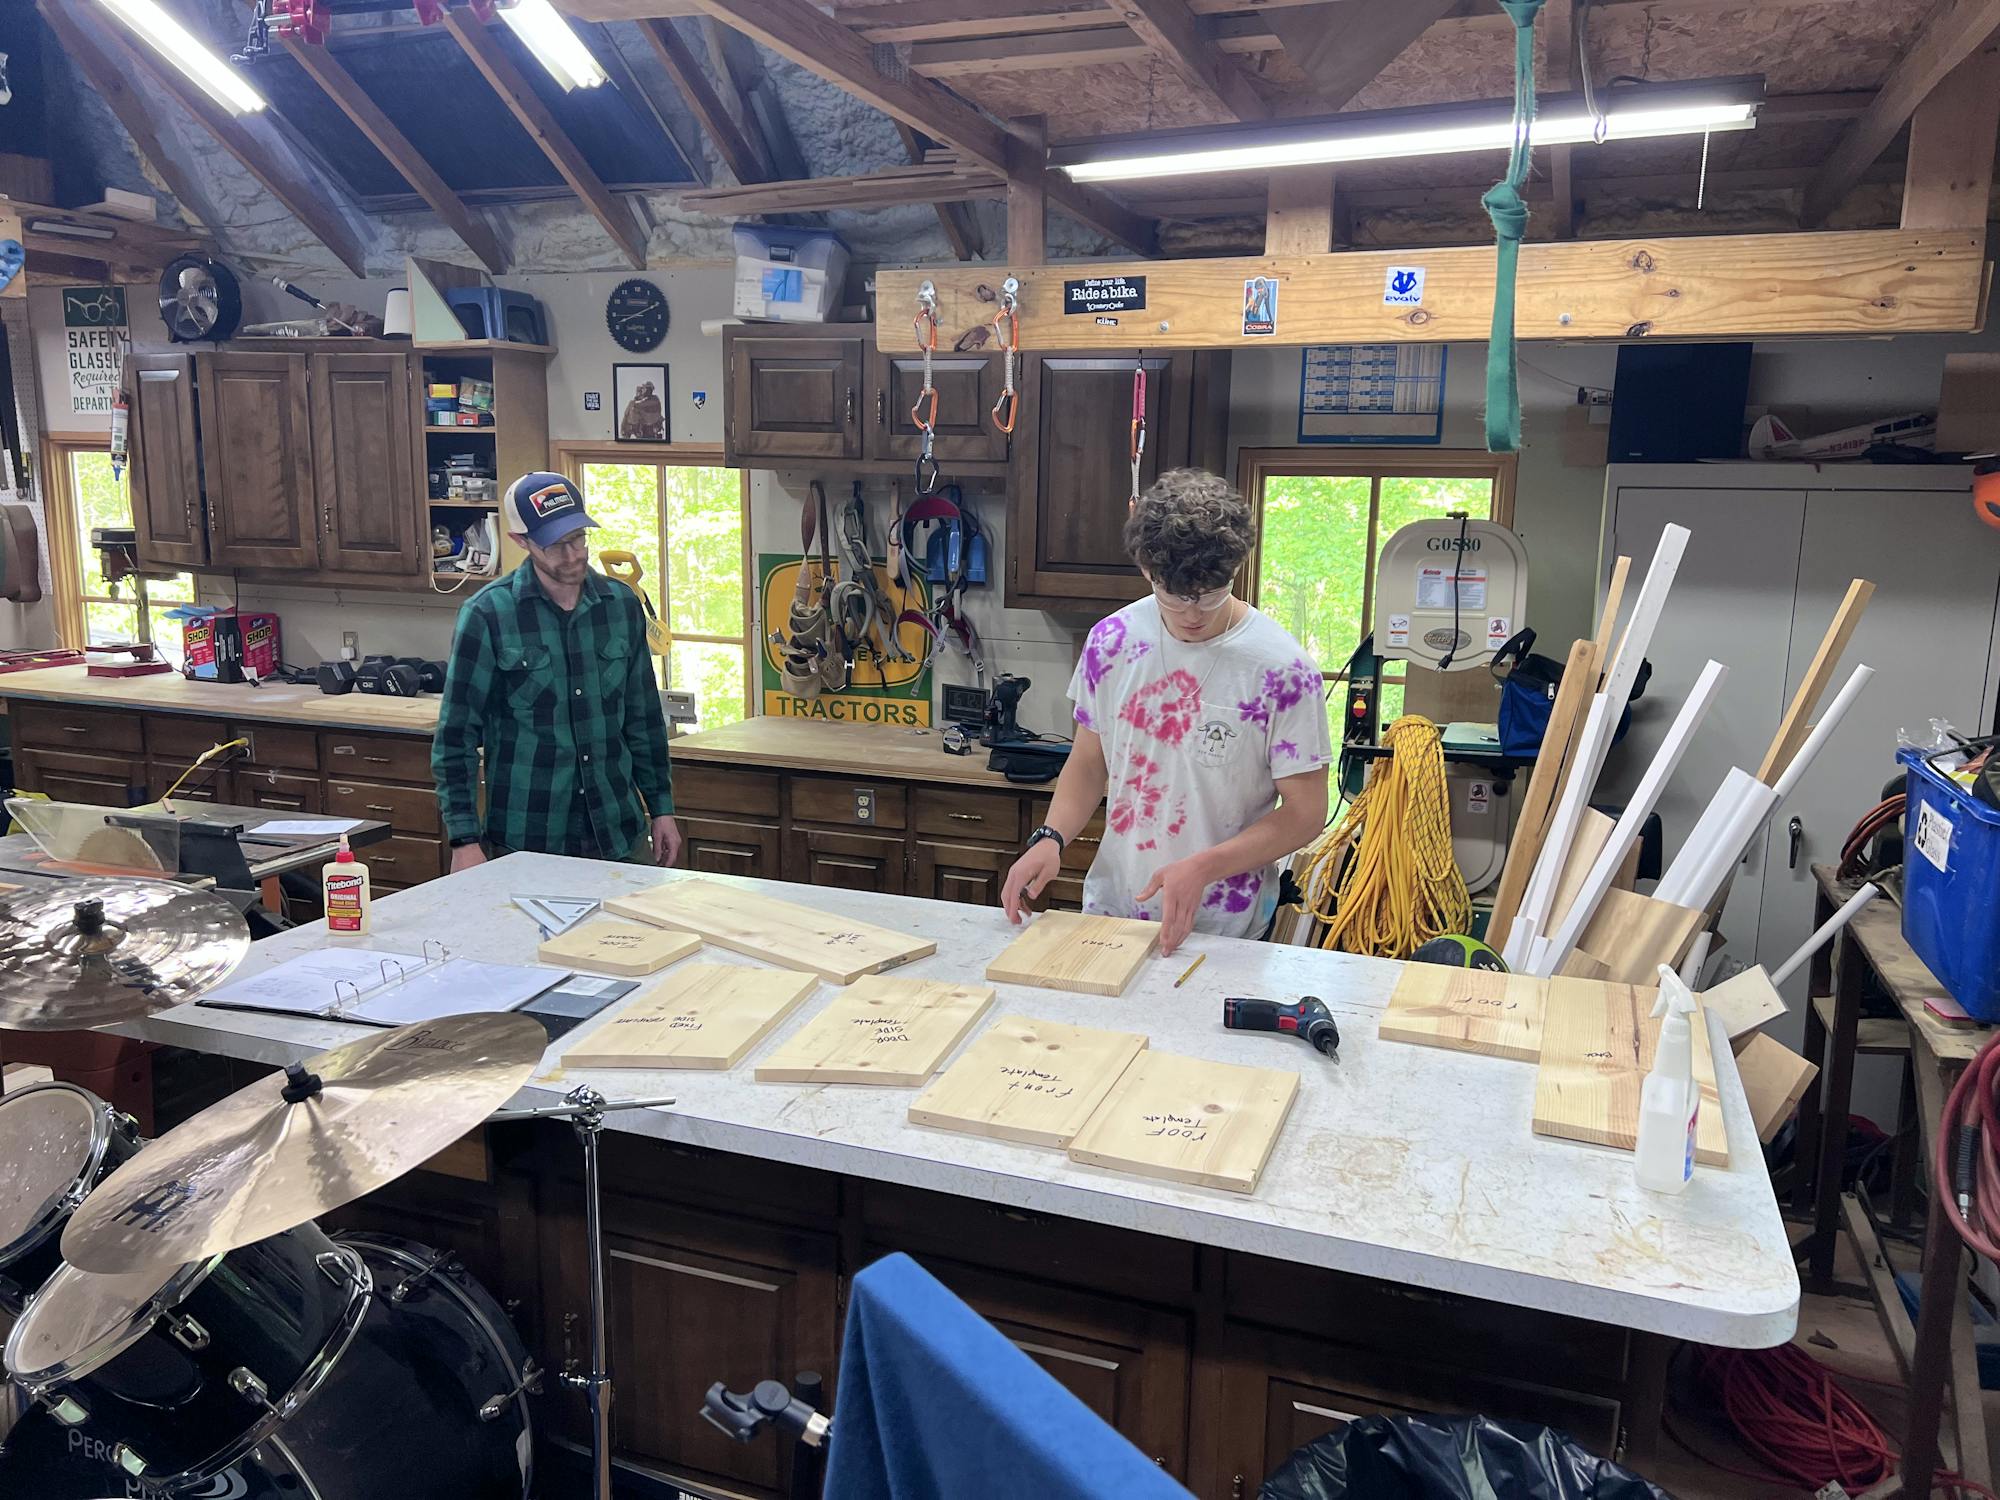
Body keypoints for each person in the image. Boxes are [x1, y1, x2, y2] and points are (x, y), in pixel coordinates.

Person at [1000, 469, 1331, 954]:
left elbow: (1306, 814)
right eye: (1173, 596)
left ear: (1236, 570)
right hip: (1115, 910)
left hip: (1225, 928)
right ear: (1146, 571)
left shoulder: (1283, 670)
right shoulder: (1111, 642)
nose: (1193, 614)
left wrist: (1204, 866)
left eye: (1210, 595)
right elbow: (1090, 762)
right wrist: (1051, 837)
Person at [433, 471, 681, 873]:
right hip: (527, 839)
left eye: (578, 538)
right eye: (556, 545)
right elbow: (455, 738)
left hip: (618, 833)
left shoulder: (620, 605)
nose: (573, 555)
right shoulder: (487, 615)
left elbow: (643, 718)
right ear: (521, 541)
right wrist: (464, 840)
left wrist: (662, 808)